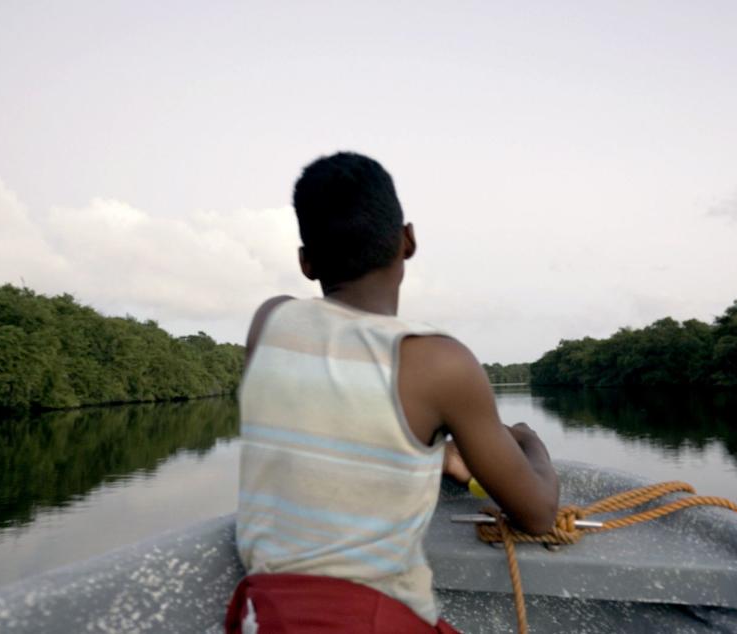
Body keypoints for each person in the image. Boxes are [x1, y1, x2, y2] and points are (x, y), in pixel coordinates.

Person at [225, 152, 559, 633]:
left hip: (265, 615)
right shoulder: (438, 363)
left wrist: (434, 457)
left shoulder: (270, 321)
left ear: (306, 261)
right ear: (407, 240)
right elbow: (538, 514)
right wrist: (531, 444)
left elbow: (333, 409)